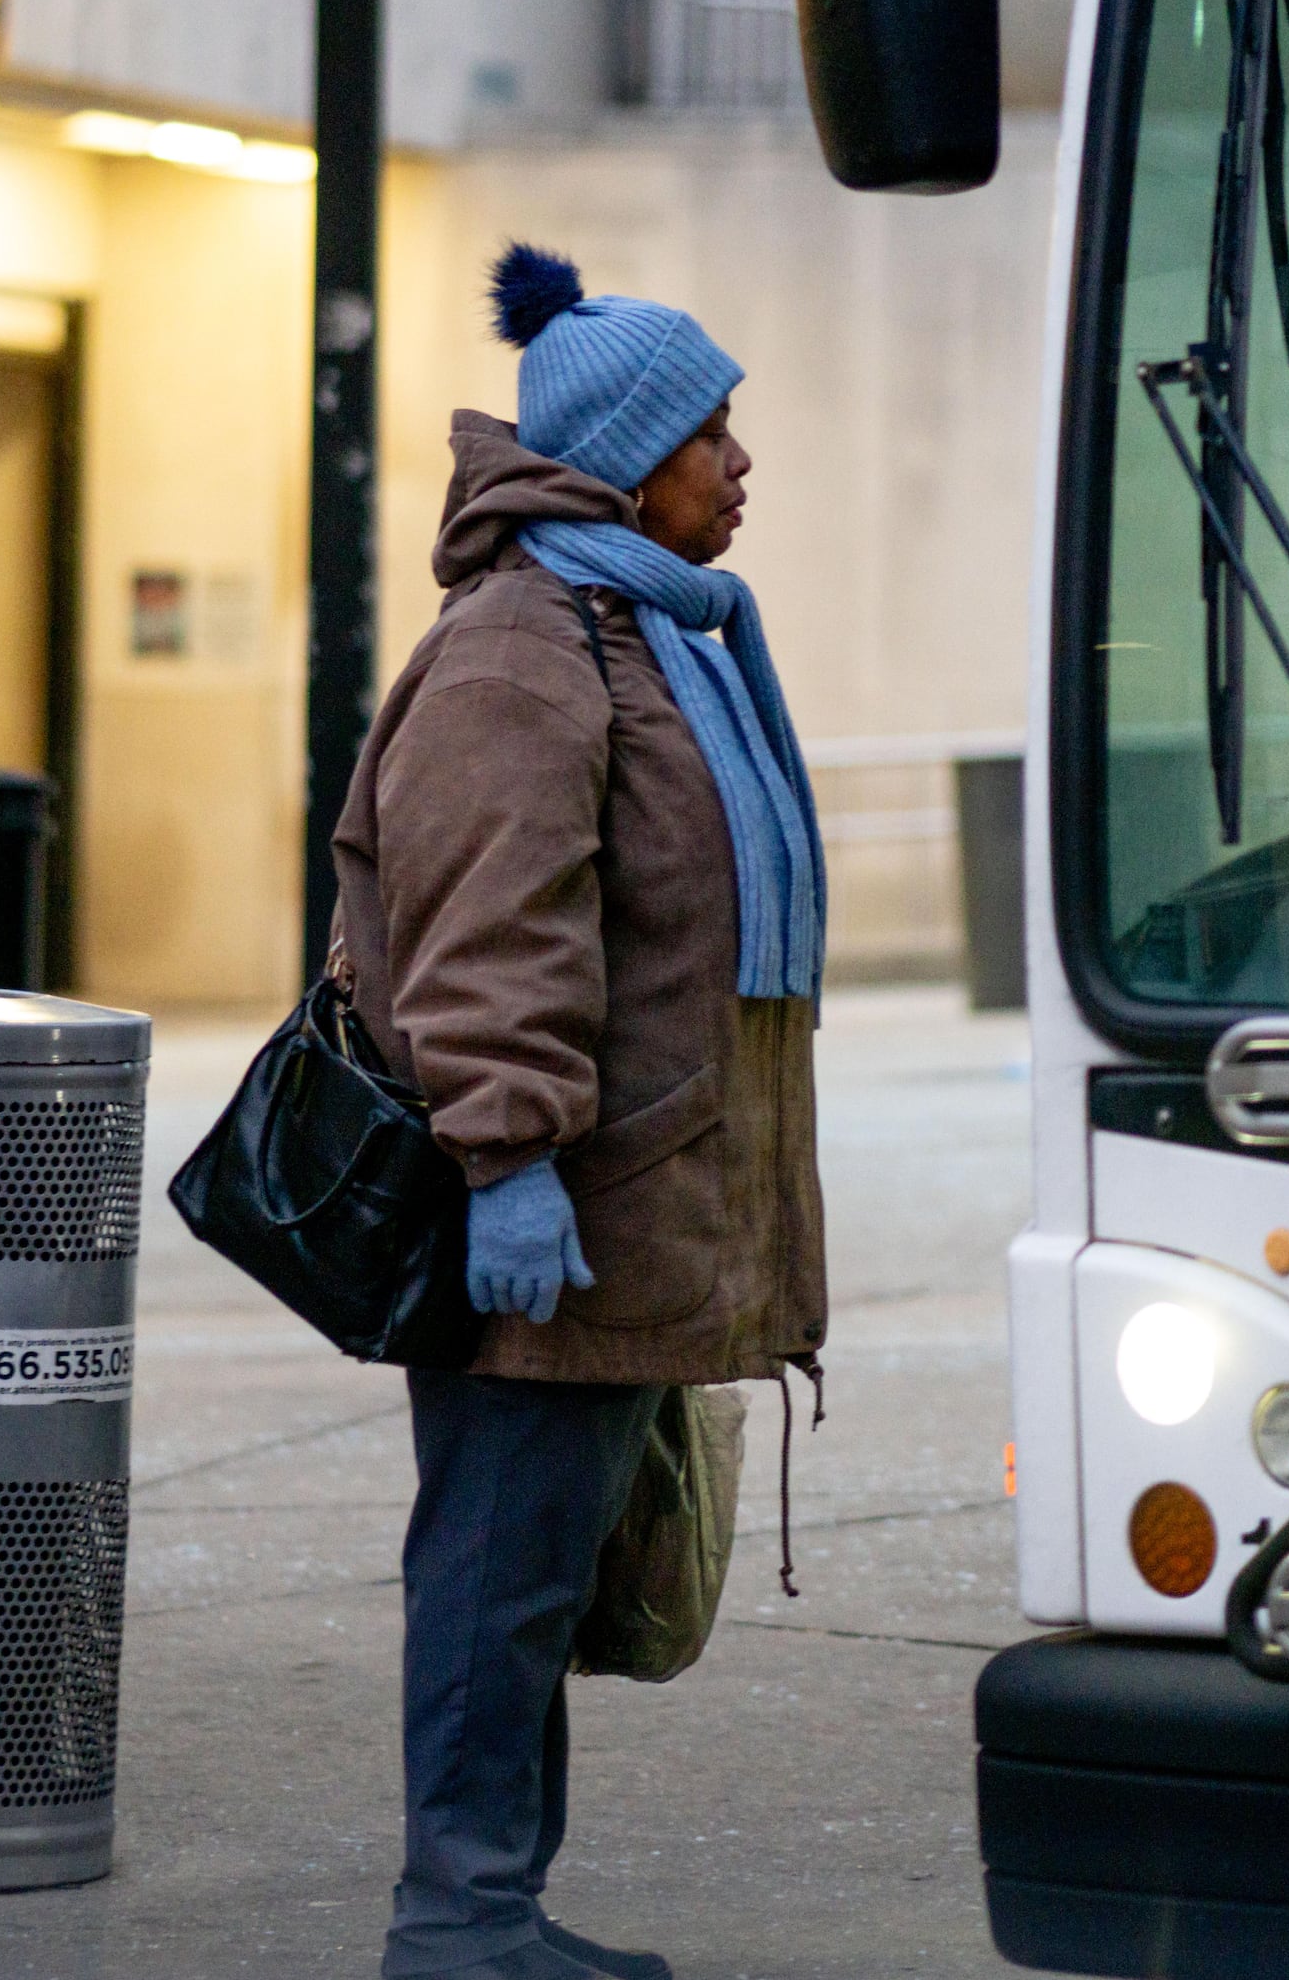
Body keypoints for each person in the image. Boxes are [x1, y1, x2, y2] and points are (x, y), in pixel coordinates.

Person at [328, 245, 829, 1980]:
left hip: (632, 1202)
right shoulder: (528, 653)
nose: (742, 465)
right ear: (626, 462)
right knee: (494, 1576)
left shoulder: (650, 632)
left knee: (540, 1584)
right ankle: (454, 1919)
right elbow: (484, 930)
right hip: (545, 1203)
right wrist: (511, 1157)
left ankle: (495, 1910)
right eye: (714, 436)